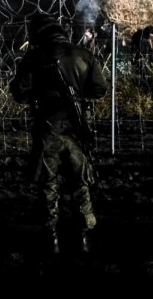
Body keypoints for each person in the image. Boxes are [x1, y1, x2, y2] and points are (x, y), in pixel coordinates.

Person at [9, 13, 108, 256]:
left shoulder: (34, 57)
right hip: (76, 128)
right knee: (80, 183)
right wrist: (77, 97)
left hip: (47, 127)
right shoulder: (82, 54)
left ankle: (50, 238)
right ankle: (84, 237)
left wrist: (41, 95)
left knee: (47, 184)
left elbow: (19, 93)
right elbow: (99, 89)